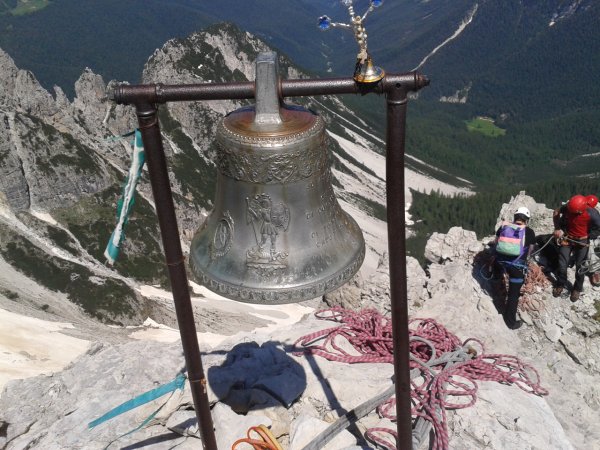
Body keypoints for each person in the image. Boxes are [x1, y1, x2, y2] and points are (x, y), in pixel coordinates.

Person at [493, 206, 536, 330]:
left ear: (515, 217)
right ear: (526, 220)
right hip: (517, 267)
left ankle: (495, 277)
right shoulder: (529, 232)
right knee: (513, 295)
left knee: (497, 269)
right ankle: (510, 322)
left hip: (500, 262)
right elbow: (531, 250)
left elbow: (496, 243)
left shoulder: (504, 227)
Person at [552, 194, 600, 301]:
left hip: (582, 241)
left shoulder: (592, 213)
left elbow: (598, 228)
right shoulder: (570, 207)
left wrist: (588, 236)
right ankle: (560, 283)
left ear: (580, 210)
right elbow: (556, 212)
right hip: (568, 238)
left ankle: (577, 288)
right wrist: (557, 228)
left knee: (580, 266)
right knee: (562, 263)